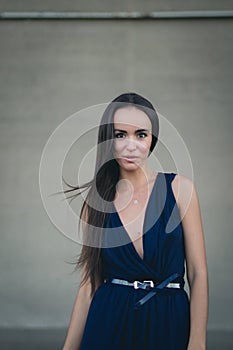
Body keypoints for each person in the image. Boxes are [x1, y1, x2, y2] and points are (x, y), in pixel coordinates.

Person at [62, 92, 208, 350]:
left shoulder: (180, 190)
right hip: (108, 322)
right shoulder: (95, 207)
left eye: (141, 134)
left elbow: (198, 273)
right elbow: (88, 288)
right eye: (120, 135)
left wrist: (197, 342)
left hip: (169, 321)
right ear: (109, 140)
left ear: (152, 139)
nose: (131, 145)